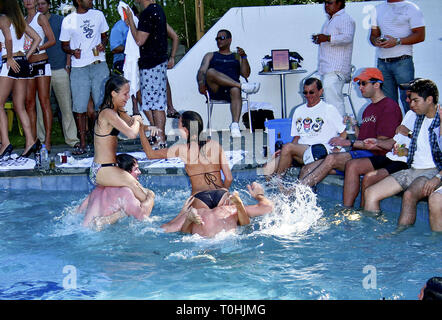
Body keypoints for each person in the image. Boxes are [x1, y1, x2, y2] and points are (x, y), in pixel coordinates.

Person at [299, 67, 402, 188]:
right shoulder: (368, 109)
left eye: (364, 83)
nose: (360, 87)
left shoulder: (389, 106)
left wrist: (347, 142)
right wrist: (354, 126)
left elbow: (379, 144)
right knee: (308, 168)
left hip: (375, 157)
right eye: (359, 83)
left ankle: (294, 193)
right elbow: (362, 138)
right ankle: (302, 203)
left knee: (331, 159)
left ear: (377, 85)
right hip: (360, 153)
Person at [363, 79, 442, 232]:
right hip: (413, 169)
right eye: (411, 100)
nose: (411, 105)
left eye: (415, 101)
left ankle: (399, 235)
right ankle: (371, 235)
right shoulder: (418, 117)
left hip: (434, 171)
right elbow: (421, 148)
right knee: (370, 193)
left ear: (429, 99)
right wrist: (403, 151)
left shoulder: (440, 119)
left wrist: (438, 178)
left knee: (409, 195)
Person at [139, 110, 233, 210]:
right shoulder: (215, 145)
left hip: (200, 198)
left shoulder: (181, 149)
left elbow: (150, 154)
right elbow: (229, 178)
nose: (177, 127)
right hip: (221, 195)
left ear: (185, 129)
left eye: (178, 124)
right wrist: (222, 193)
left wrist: (141, 130)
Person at [88, 74, 157, 205]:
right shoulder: (107, 113)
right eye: (125, 94)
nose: (128, 98)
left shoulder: (117, 111)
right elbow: (131, 133)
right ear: (113, 93)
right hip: (101, 170)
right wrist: (137, 118)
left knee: (148, 194)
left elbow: (132, 124)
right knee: (145, 197)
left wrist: (150, 127)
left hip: (110, 167)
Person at [263, 77, 346, 177]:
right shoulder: (298, 111)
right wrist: (285, 152)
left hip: (320, 150)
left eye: (311, 92)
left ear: (320, 92)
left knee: (288, 147)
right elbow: (296, 137)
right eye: (305, 92)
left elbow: (343, 132)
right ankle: (272, 189)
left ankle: (278, 181)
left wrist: (337, 147)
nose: (308, 95)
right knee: (267, 168)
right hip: (301, 151)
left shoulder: (329, 109)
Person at [123, 0, 179, 148]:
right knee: (151, 103)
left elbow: (140, 40)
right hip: (156, 62)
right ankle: (158, 138)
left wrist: (131, 20)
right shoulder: (158, 10)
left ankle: (160, 139)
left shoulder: (148, 13)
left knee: (156, 104)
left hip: (152, 64)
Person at [60, 0, 110, 155]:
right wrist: (73, 51)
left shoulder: (98, 15)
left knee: (102, 105)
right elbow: (64, 45)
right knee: (80, 107)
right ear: (78, 1)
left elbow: (104, 36)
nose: (91, 1)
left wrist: (103, 44)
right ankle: (82, 143)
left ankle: (102, 141)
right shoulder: (68, 20)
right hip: (79, 67)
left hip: (98, 64)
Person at [342, 109, 416, 208]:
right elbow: (393, 142)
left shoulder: (432, 118)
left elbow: (429, 149)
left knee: (369, 177)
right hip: (392, 156)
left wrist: (409, 133)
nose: (408, 101)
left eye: (414, 99)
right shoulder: (410, 113)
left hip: (407, 162)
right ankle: (347, 209)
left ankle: (363, 213)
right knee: (352, 165)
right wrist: (377, 142)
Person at [196, 29, 260, 138]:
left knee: (235, 90)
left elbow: (246, 74)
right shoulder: (211, 55)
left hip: (232, 91)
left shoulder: (236, 56)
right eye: (217, 38)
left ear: (229, 40)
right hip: (215, 89)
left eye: (222, 38)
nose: (219, 41)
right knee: (210, 72)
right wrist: (201, 83)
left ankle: (235, 125)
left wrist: (244, 57)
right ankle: (242, 86)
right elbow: (202, 71)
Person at [34, 0, 80, 151]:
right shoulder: (31, 21)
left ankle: (72, 139)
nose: (40, 6)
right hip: (40, 69)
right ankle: (41, 140)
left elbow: (68, 42)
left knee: (66, 106)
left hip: (59, 68)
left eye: (43, 3)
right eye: (38, 4)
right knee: (41, 107)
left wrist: (67, 64)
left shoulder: (60, 21)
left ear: (48, 5)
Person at [0, 0, 41, 159]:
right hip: (22, 62)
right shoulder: (19, 20)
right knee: (19, 106)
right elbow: (37, 38)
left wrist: (10, 57)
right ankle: (31, 140)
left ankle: (5, 143)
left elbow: (9, 39)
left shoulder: (3, 18)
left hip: (10, 64)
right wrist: (25, 56)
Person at [370, 0, 425, 114]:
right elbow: (374, 35)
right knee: (388, 103)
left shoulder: (411, 7)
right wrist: (376, 41)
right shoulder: (377, 9)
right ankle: (393, 130)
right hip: (383, 62)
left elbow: (420, 35)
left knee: (410, 101)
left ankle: (412, 130)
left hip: (403, 61)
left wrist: (398, 41)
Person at [161, 182, 274, 238]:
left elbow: (164, 228)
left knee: (179, 226)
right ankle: (239, 206)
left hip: (199, 198)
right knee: (238, 216)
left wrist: (182, 213)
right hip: (223, 198)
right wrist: (259, 195)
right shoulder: (231, 209)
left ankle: (189, 218)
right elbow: (268, 207)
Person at [77, 154, 154, 231]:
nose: (139, 172)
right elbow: (142, 216)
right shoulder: (125, 191)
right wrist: (151, 195)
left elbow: (78, 211)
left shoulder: (98, 189)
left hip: (83, 230)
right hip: (98, 235)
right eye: (136, 169)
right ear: (125, 173)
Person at [312, 0, 355, 116]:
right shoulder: (330, 20)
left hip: (337, 69)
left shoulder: (344, 18)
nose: (326, 5)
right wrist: (321, 39)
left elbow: (347, 37)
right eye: (325, 3)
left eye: (330, 3)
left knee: (334, 101)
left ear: (339, 3)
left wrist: (326, 38)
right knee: (329, 99)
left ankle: (341, 130)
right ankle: (334, 127)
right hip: (328, 69)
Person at [23, 0, 55, 153]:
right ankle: (33, 139)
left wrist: (37, 49)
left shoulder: (40, 17)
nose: (28, 2)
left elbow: (52, 40)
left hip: (41, 62)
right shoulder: (22, 20)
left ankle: (47, 140)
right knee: (29, 103)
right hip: (27, 64)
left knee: (44, 101)